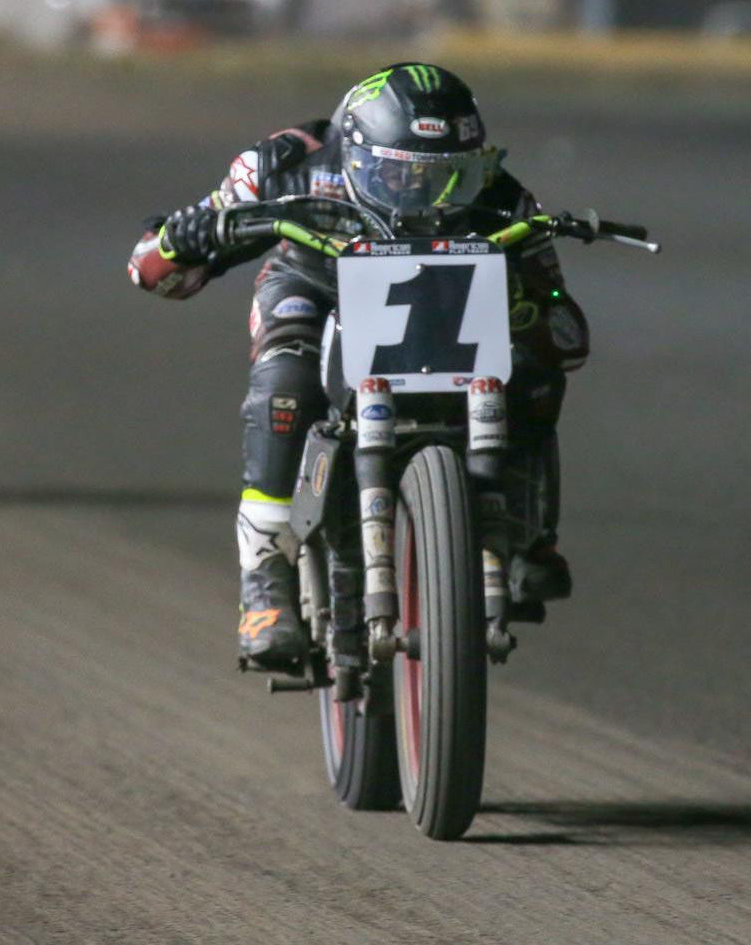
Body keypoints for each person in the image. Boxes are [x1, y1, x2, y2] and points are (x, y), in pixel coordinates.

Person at [128, 62, 586, 671]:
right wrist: (177, 241)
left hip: (446, 298)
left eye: (454, 178)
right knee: (285, 376)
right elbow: (154, 274)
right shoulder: (285, 163)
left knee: (532, 369)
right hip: (316, 282)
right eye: (407, 178)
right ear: (358, 156)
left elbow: (569, 336)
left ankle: (531, 528)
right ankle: (264, 576)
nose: (433, 199)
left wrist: (530, 314)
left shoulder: (502, 193)